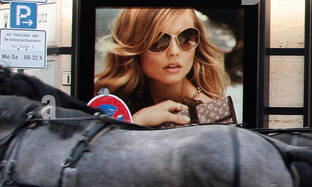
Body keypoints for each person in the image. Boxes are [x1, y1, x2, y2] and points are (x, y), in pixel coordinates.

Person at [94, 7, 229, 128]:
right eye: (159, 40)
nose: (174, 52)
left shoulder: (215, 116)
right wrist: (135, 122)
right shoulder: (107, 101)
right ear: (134, 46)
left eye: (185, 38)